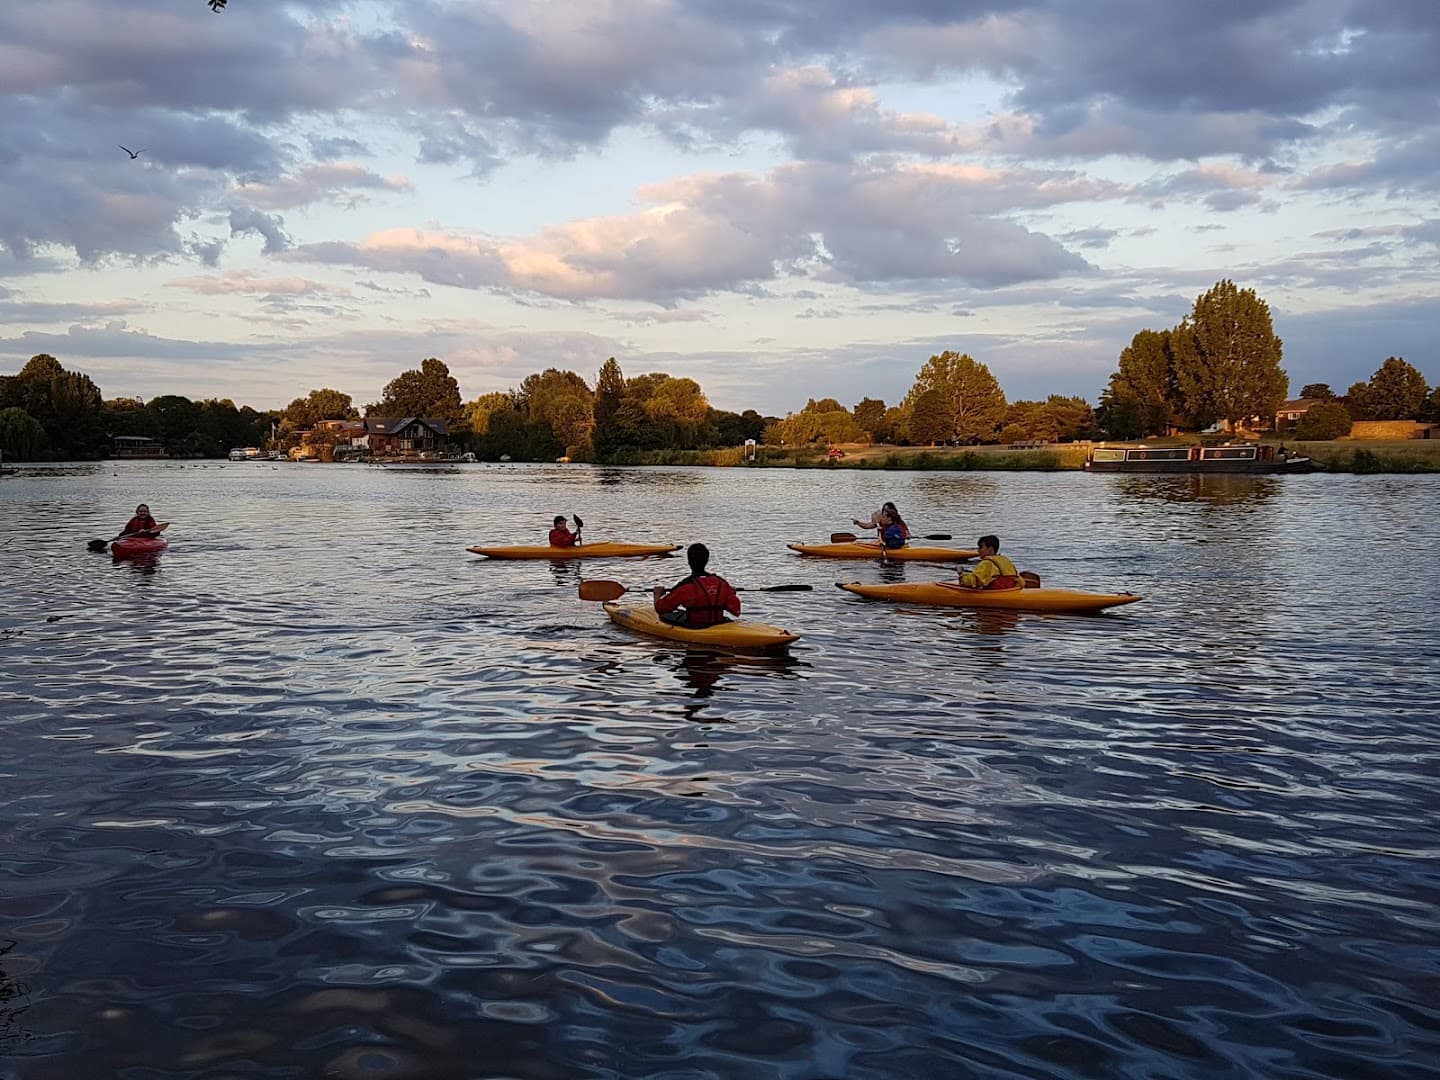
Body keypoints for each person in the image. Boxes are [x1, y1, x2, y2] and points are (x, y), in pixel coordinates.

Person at [653, 543, 741, 628]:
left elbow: (661, 609)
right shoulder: (722, 584)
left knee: (667, 616)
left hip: (695, 627)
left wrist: (657, 594)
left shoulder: (685, 586)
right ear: (707, 560)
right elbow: (736, 610)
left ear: (689, 561)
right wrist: (732, 593)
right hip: (718, 624)